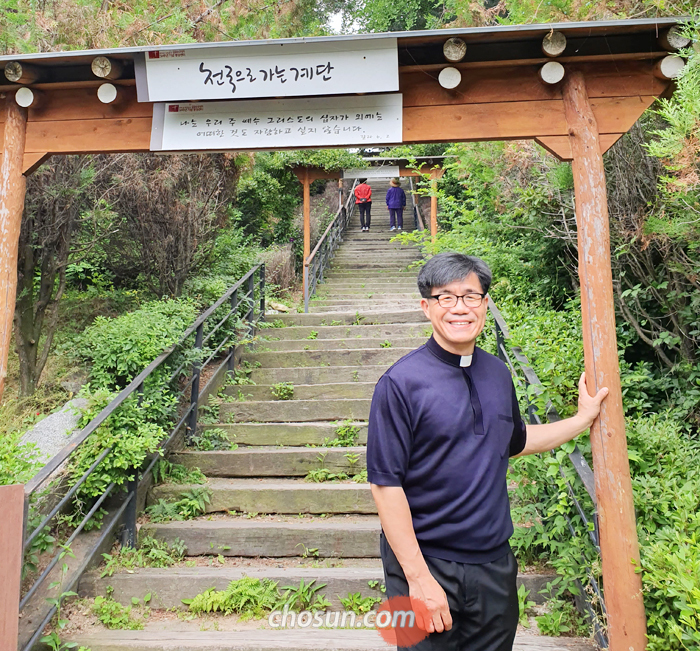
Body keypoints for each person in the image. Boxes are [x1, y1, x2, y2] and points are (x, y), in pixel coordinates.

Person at [368, 252, 608, 651]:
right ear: (426, 307)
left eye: (470, 296)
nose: (459, 308)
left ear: (484, 304)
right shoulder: (399, 384)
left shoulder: (497, 373)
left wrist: (581, 420)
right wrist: (419, 579)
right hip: (425, 563)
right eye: (445, 297)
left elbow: (514, 441)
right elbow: (385, 486)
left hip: (494, 566)